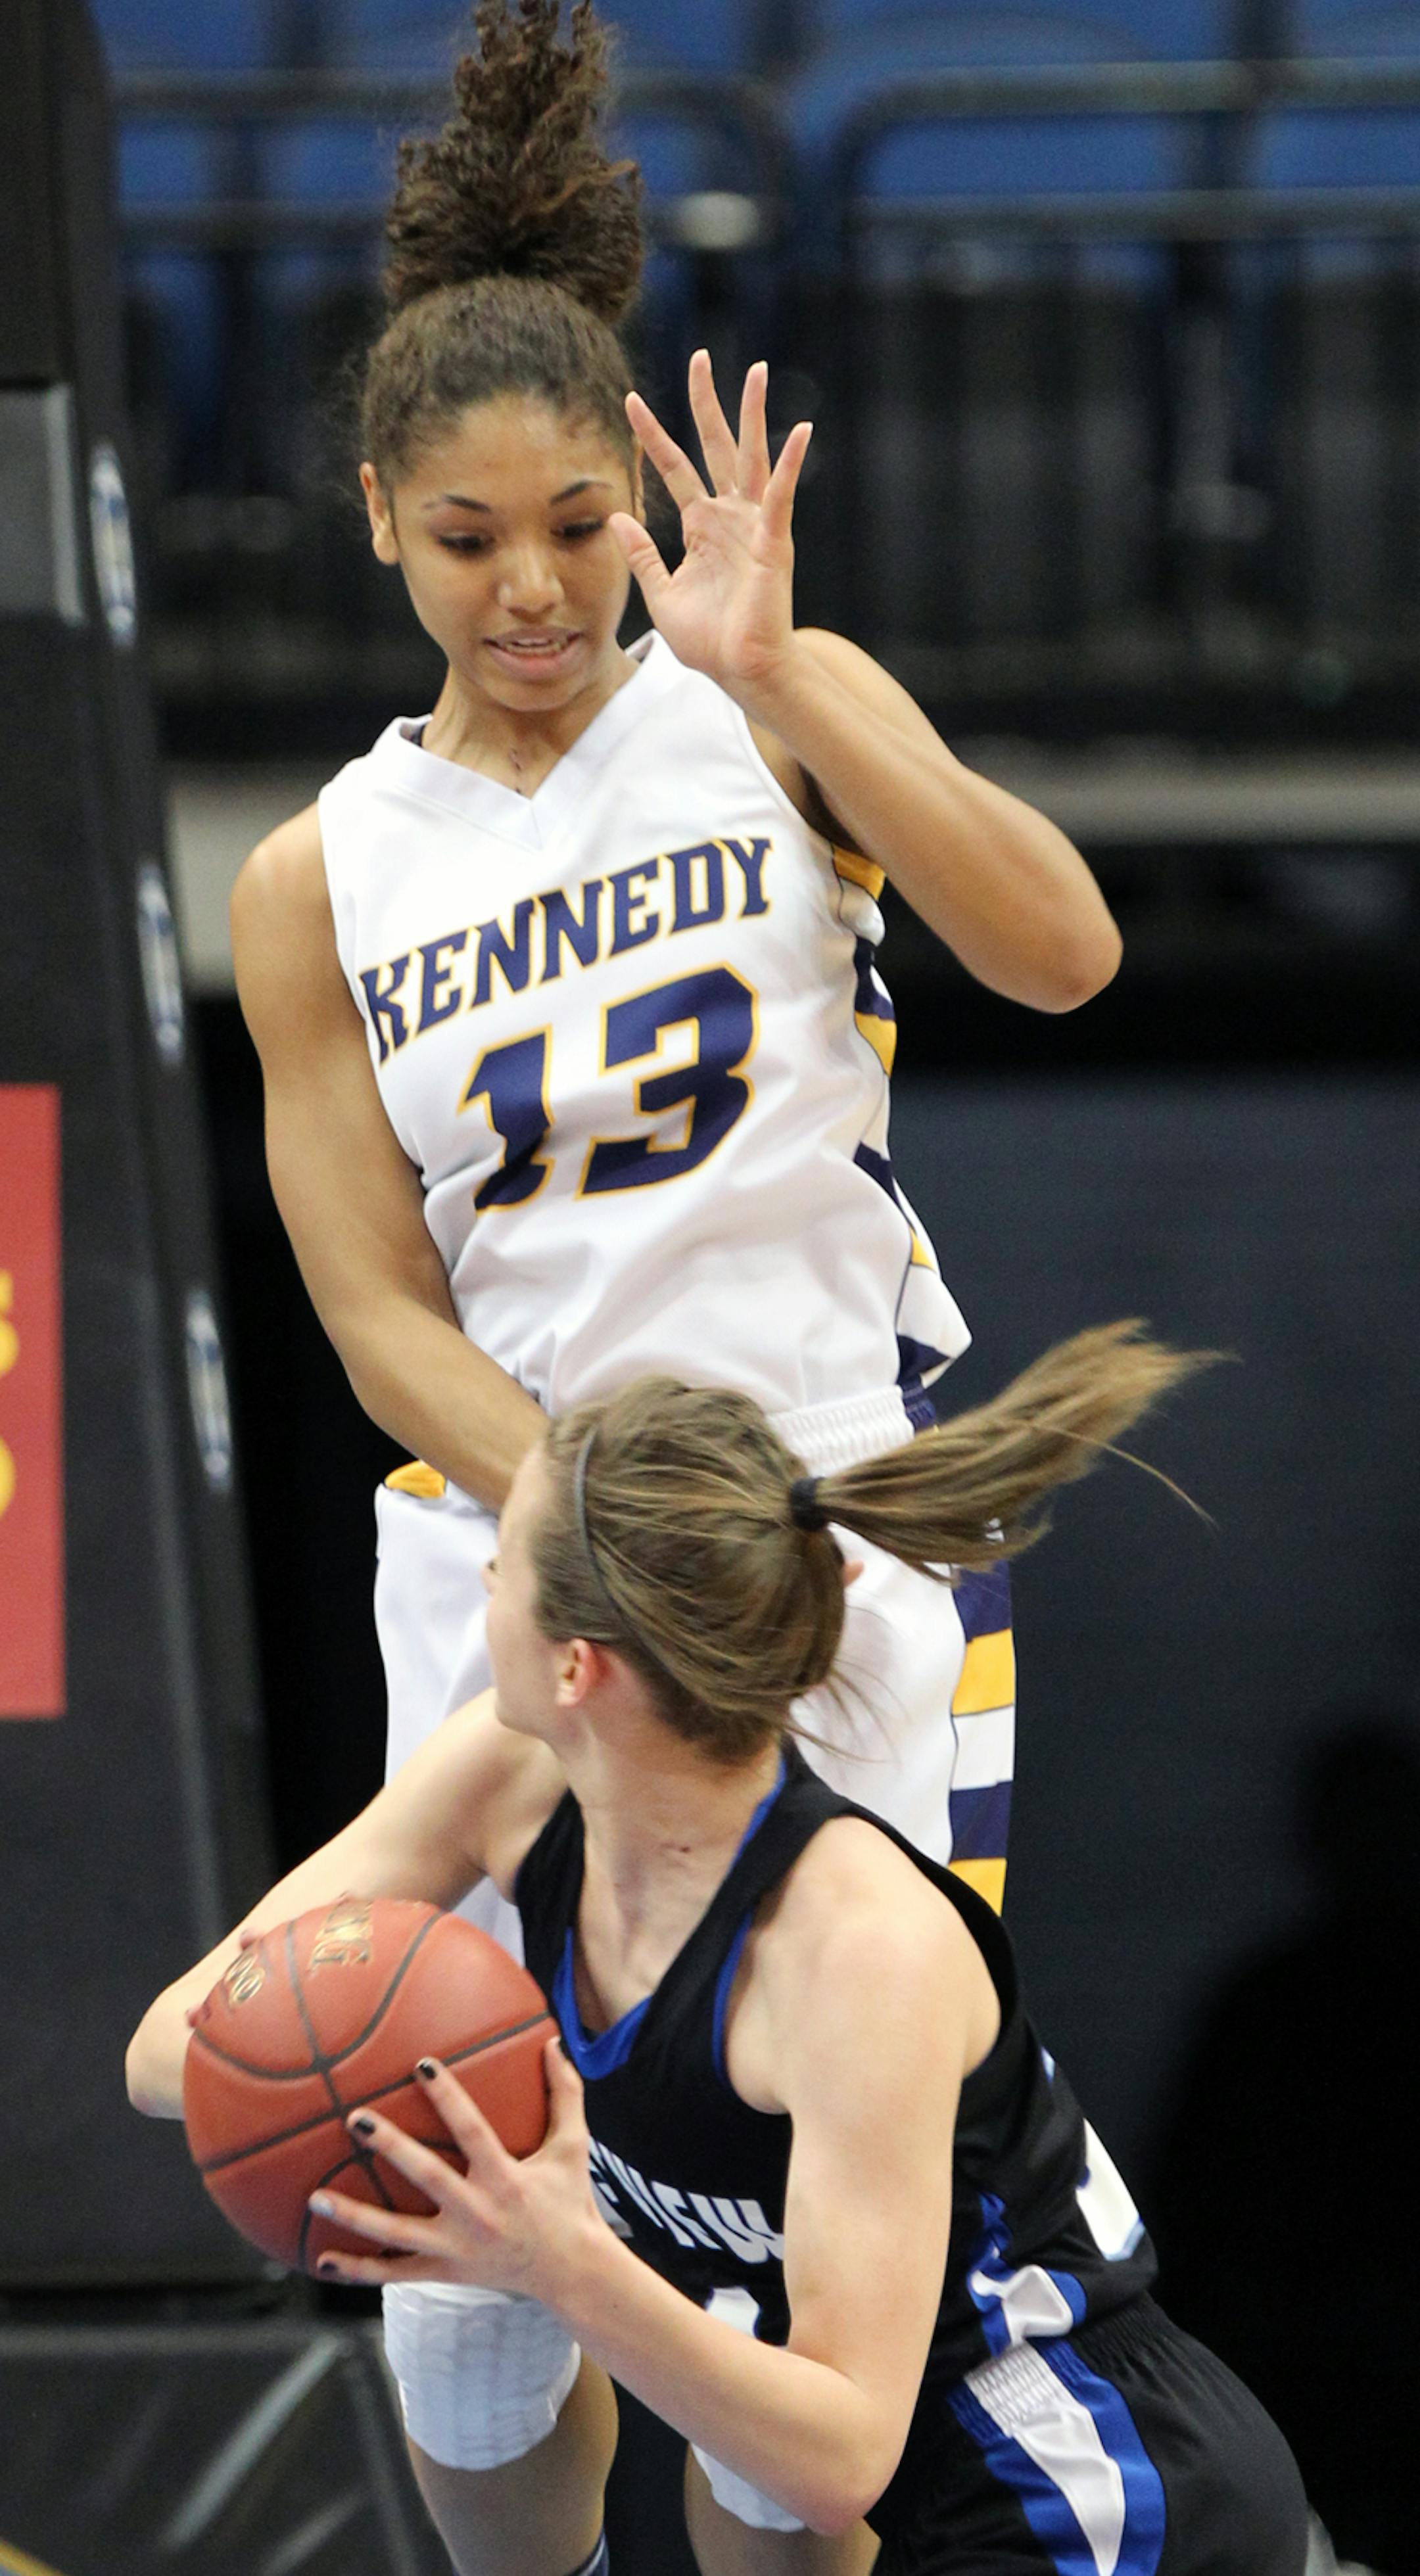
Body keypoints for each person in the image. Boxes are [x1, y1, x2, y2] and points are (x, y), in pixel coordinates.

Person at [229, 0, 1120, 2559]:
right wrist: (589, 1517)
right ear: (378, 520)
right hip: (512, 1551)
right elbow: (377, 1309)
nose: (528, 587)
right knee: (469, 2275)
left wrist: (791, 675)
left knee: (776, 2253)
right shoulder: (317, 877)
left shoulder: (760, 707)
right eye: (464, 537)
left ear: (642, 506)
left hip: (828, 1529)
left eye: (575, 527)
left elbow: (1065, 953)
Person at [128, 1325, 1308, 2576]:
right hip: (945, 2502)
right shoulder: (511, 1775)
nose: (480, 1583)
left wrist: (557, 2258)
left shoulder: (854, 1951)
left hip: (1093, 2484)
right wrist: (314, 2063)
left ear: (577, 1666)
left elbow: (839, 2457)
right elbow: (165, 2052)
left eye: (504, 1561)